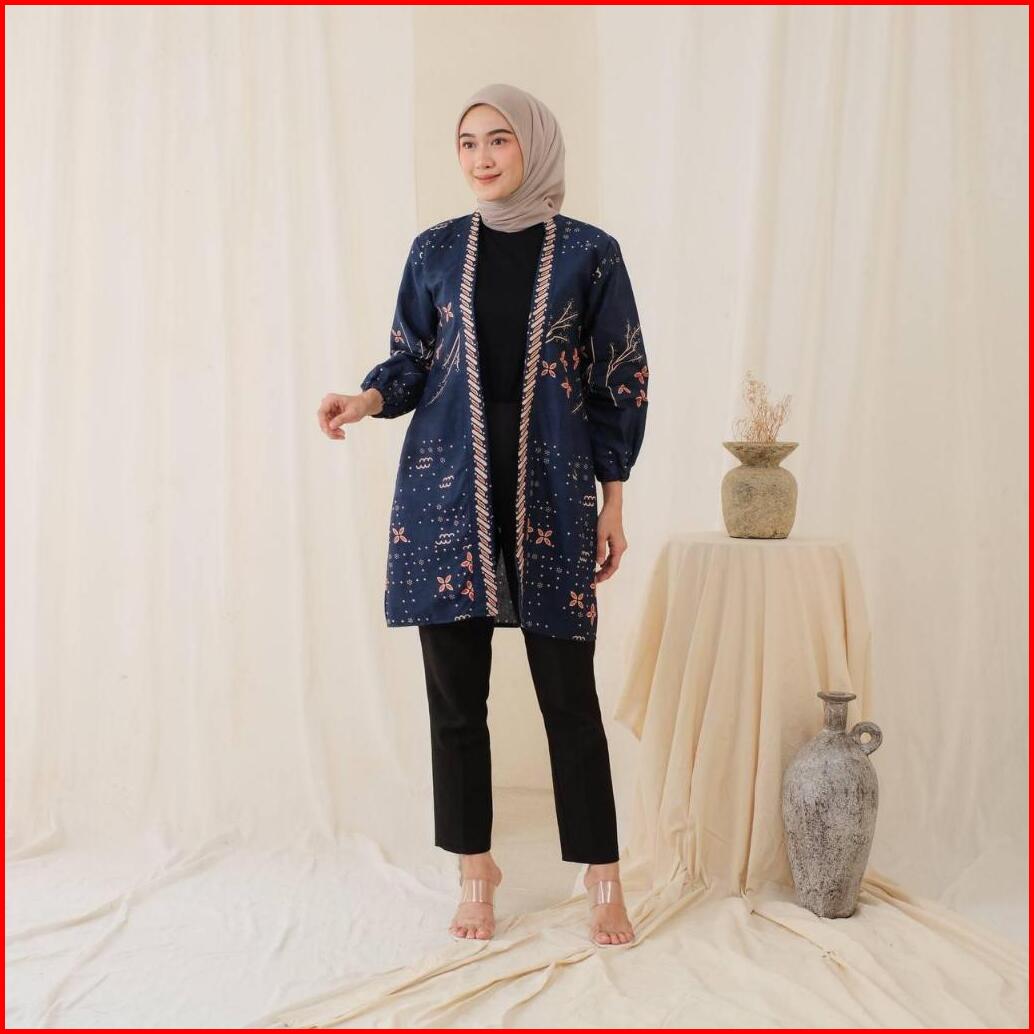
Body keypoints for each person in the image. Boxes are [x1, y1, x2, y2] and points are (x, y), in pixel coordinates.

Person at [317, 83, 648, 947]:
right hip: (446, 498)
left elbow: (619, 378)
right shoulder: (434, 250)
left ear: (533, 145)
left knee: (568, 697)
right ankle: (475, 868)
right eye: (467, 143)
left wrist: (613, 500)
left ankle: (603, 874)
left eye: (498, 140)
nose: (482, 157)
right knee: (456, 701)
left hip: (553, 496)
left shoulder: (590, 254)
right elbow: (412, 358)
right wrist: (366, 398)